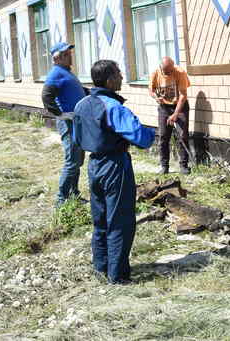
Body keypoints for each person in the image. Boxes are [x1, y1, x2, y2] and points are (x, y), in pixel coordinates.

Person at [73, 60, 155, 284]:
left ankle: (101, 268)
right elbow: (141, 138)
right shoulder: (113, 107)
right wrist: (151, 133)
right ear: (109, 80)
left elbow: (76, 138)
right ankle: (117, 276)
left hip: (94, 165)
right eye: (119, 74)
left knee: (100, 221)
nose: (121, 77)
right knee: (120, 220)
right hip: (114, 165)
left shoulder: (81, 105)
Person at [41, 42, 87, 208]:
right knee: (71, 161)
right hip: (68, 124)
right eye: (66, 54)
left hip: (77, 122)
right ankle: (61, 200)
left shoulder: (66, 72)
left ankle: (74, 194)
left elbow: (76, 91)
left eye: (70, 53)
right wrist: (60, 114)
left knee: (78, 160)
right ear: (57, 58)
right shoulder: (56, 73)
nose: (70, 56)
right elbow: (46, 96)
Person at [148, 56, 191, 174]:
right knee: (163, 136)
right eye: (167, 71)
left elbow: (183, 96)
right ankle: (164, 166)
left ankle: (184, 165)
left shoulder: (180, 72)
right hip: (164, 107)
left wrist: (175, 114)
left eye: (172, 70)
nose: (170, 73)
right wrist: (156, 97)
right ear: (161, 68)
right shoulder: (156, 73)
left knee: (183, 136)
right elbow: (150, 90)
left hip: (180, 106)